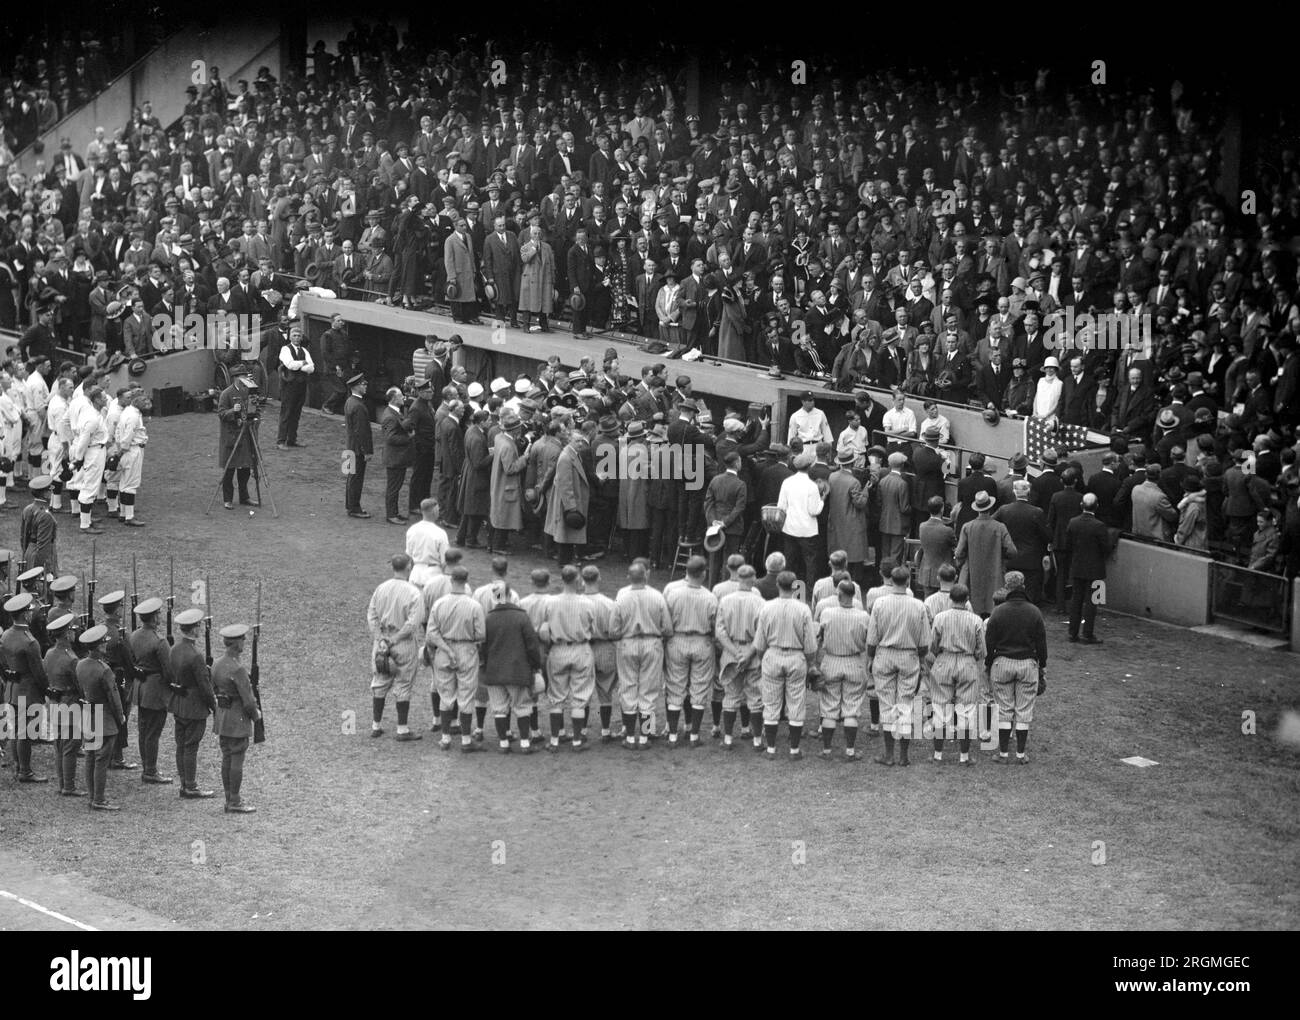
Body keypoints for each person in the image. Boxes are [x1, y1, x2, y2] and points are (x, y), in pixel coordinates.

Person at [866, 566, 931, 767]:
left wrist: (870, 658)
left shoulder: (879, 603)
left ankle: (888, 754)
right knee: (905, 704)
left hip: (885, 653)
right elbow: (924, 643)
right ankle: (903, 756)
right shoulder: (918, 605)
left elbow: (872, 638)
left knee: (886, 703)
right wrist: (919, 661)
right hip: (908, 655)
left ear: (891, 581)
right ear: (908, 583)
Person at [983, 571, 1048, 765]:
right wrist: (1041, 666)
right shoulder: (1035, 612)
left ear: (1007, 588)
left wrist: (989, 664)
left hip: (1002, 663)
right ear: (1024, 586)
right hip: (1027, 664)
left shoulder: (998, 612)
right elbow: (1041, 643)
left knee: (1004, 709)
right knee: (1024, 709)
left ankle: (1003, 753)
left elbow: (989, 642)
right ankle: (1020, 754)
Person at [753, 570, 819, 758]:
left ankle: (771, 749)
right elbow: (810, 646)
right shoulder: (803, 609)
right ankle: (794, 750)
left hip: (772, 654)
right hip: (796, 656)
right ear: (794, 586)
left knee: (771, 702)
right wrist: (810, 663)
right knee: (796, 702)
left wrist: (762, 658)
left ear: (777, 585)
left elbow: (759, 643)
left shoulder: (766, 607)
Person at [610, 560, 672, 748]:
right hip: (652, 643)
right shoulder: (657, 596)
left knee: (628, 688)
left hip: (628, 644)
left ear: (629, 577)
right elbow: (667, 628)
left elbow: (612, 630)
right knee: (649, 690)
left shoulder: (621, 597)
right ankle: (645, 736)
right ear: (646, 575)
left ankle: (629, 737)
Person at [426, 564, 486, 751]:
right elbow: (481, 634)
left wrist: (446, 648)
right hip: (467, 650)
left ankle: (445, 738)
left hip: (444, 652)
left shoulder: (439, 603)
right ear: (466, 581)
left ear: (451, 580)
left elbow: (431, 633)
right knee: (466, 695)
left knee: (445, 695)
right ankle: (466, 740)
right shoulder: (474, 605)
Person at [481, 579, 544, 753]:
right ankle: (524, 743)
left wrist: (485, 666)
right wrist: (536, 666)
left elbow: (483, 647)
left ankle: (503, 744)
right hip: (518, 671)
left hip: (494, 671)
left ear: (494, 596)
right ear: (509, 594)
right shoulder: (521, 616)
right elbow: (532, 646)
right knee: (522, 707)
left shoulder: (488, 618)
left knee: (499, 709)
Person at [927, 583, 986, 766]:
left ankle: (938, 755)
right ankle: (964, 757)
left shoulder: (940, 618)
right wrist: (971, 657)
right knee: (966, 710)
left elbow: (932, 645)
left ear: (950, 599)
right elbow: (982, 650)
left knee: (940, 707)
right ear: (967, 599)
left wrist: (939, 657)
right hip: (966, 662)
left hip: (944, 660)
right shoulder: (976, 620)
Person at [367, 553, 425, 741]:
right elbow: (412, 624)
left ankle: (376, 726)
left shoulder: (381, 588)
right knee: (404, 683)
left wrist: (381, 639)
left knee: (380, 681)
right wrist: (393, 640)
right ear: (409, 568)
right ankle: (402, 729)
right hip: (403, 643)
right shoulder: (414, 592)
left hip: (382, 641)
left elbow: (372, 616)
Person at [539, 564, 596, 751]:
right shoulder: (588, 603)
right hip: (581, 649)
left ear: (561, 579)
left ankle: (555, 740)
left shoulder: (549, 602)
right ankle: (577, 740)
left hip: (558, 649)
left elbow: (544, 630)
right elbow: (592, 630)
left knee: (556, 696)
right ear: (578, 580)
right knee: (580, 696)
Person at [663, 555, 718, 747]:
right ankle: (693, 734)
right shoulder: (710, 597)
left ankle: (671, 735)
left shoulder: (673, 593)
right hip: (702, 642)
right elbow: (715, 627)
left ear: (686, 572)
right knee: (699, 688)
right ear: (703, 574)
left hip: (676, 640)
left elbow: (665, 622)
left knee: (675, 687)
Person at [816, 579, 871, 759]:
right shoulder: (863, 616)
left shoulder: (827, 613)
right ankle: (850, 750)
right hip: (854, 661)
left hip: (831, 661)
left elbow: (819, 638)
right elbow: (868, 641)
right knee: (851, 707)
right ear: (854, 595)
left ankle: (826, 750)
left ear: (838, 595)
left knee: (829, 707)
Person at [212, 622, 262, 813]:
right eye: (242, 639)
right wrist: (256, 715)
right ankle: (234, 800)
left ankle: (228, 797)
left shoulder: (217, 664)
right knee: (237, 759)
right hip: (237, 720)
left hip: (223, 718)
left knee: (227, 757)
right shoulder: (237, 669)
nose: (244, 642)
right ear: (235, 644)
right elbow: (248, 701)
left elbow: (214, 689)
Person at [715, 564, 764, 751]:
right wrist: (748, 654)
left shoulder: (726, 600)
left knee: (731, 696)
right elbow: (762, 634)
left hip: (731, 651)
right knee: (755, 697)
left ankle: (727, 739)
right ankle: (757, 740)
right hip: (752, 652)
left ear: (737, 579)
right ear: (753, 580)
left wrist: (735, 654)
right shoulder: (760, 602)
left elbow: (720, 632)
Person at [170, 607, 216, 798]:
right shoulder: (195, 655)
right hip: (194, 706)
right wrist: (214, 706)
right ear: (194, 629)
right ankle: (190, 785)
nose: (200, 629)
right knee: (190, 747)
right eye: (198, 626)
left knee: (181, 745)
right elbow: (204, 687)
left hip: (179, 703)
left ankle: (184, 783)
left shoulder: (174, 649)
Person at [78, 624, 125, 810]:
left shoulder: (80, 664)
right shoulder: (104, 669)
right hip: (103, 718)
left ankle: (92, 796)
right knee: (101, 760)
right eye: (103, 643)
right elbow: (114, 698)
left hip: (89, 715)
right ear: (98, 647)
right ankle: (99, 799)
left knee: (90, 756)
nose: (106, 645)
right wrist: (120, 717)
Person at [4, 592, 49, 782]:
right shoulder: (30, 642)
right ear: (25, 615)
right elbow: (39, 672)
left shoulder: (5, 635)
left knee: (16, 730)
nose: (31, 614)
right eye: (29, 612)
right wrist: (46, 690)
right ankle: (25, 771)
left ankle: (18, 766)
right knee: (25, 732)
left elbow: (3, 664)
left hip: (12, 687)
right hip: (27, 690)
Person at [129, 596, 174, 783]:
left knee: (144, 730)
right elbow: (169, 672)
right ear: (154, 617)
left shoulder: (133, 636)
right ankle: (150, 770)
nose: (160, 616)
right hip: (155, 691)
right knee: (153, 732)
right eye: (158, 613)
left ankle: (147, 766)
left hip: (140, 689)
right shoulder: (159, 641)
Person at [955, 490, 1018, 616]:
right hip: (995, 573)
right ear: (990, 507)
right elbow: (1012, 551)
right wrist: (1002, 559)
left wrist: (961, 563)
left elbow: (959, 552)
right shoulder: (1000, 527)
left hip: (972, 574)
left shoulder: (968, 527)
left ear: (977, 508)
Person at [43, 613, 83, 795]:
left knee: (59, 745)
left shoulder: (50, 653)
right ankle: (68, 786)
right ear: (67, 634)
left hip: (53, 703)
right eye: (73, 630)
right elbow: (79, 685)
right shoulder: (71, 659)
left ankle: (62, 783)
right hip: (69, 704)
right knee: (71, 745)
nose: (75, 633)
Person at [994, 479, 1052, 604]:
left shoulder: (1004, 510)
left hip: (1009, 558)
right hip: (1031, 560)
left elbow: (993, 525)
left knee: (1008, 592)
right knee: (1030, 596)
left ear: (1014, 492)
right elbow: (1047, 535)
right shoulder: (1037, 512)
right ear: (1029, 492)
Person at [1063, 492, 1111, 644]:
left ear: (1082, 505)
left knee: (1076, 600)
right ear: (1097, 506)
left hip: (1077, 568)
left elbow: (1068, 545)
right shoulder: (1099, 526)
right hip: (1095, 570)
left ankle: (1073, 633)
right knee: (1092, 602)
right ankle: (1087, 634)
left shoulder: (1073, 522)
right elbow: (1106, 548)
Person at [777, 450, 825, 589]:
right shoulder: (812, 486)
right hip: (807, 531)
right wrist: (822, 500)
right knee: (810, 562)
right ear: (809, 466)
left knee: (790, 561)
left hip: (790, 528)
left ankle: (787, 587)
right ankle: (809, 591)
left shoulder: (787, 482)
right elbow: (814, 511)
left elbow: (781, 506)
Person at [216, 366, 260, 510]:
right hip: (232, 437)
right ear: (235, 378)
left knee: (245, 468)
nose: (245, 379)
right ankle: (227, 499)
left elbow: (256, 410)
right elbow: (221, 413)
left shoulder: (249, 391)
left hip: (246, 436)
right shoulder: (226, 394)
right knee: (229, 469)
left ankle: (244, 497)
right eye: (242, 376)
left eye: (245, 376)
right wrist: (232, 411)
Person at [69, 385, 110, 533]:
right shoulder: (92, 418)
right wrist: (78, 458)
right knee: (90, 486)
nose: (106, 399)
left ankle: (88, 518)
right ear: (97, 400)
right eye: (104, 397)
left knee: (92, 484)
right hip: (93, 452)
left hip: (98, 450)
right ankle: (85, 524)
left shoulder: (96, 413)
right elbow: (84, 440)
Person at [489, 412, 528, 552]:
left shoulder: (499, 438)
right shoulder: (507, 446)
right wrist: (525, 458)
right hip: (506, 486)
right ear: (516, 430)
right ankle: (498, 546)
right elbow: (510, 469)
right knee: (503, 517)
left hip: (499, 484)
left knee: (498, 515)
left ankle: (494, 544)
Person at [112, 392, 149, 526]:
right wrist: (122, 450)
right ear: (136, 400)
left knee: (124, 483)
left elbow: (117, 432)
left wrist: (119, 449)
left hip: (126, 450)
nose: (146, 402)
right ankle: (129, 516)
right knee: (131, 484)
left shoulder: (127, 412)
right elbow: (128, 436)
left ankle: (123, 513)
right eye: (143, 399)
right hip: (132, 450)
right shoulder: (133, 416)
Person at [276, 325, 314, 450]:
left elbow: (311, 367)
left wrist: (300, 365)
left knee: (296, 413)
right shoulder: (285, 349)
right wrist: (303, 363)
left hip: (301, 385)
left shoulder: (304, 350)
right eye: (294, 335)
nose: (297, 338)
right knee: (286, 412)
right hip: (289, 385)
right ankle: (281, 441)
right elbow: (290, 365)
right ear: (290, 337)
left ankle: (292, 439)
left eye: (299, 336)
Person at [380, 386, 414, 525]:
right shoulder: (390, 416)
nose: (403, 398)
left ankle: (394, 513)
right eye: (400, 396)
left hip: (397, 457)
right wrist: (409, 438)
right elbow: (391, 438)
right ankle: (391, 515)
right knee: (393, 487)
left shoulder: (393, 412)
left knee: (395, 486)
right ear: (394, 399)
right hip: (394, 458)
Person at [876, 451, 912, 571]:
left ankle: (884, 578)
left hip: (884, 523)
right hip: (898, 525)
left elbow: (879, 502)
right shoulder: (902, 484)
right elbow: (904, 508)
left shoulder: (883, 481)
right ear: (902, 465)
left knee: (885, 554)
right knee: (896, 556)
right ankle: (894, 580)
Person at [343, 372, 372, 518]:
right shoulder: (359, 406)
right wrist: (367, 451)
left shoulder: (350, 402)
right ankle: (354, 507)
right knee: (356, 478)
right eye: (363, 384)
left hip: (350, 446)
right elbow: (363, 431)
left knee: (351, 477)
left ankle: (350, 504)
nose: (365, 386)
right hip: (357, 449)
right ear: (356, 387)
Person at [917, 496, 955, 597]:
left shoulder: (922, 526)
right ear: (942, 508)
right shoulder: (947, 531)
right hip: (945, 575)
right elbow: (955, 546)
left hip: (927, 574)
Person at [405, 499, 449, 587]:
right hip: (434, 576)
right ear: (434, 512)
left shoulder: (412, 530)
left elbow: (408, 557)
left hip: (415, 575)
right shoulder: (440, 533)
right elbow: (445, 561)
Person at [20, 475, 59, 572]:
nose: (51, 493)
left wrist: (26, 554)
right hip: (42, 557)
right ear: (45, 494)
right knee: (45, 585)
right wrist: (39, 569)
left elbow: (23, 537)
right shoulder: (46, 516)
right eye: (50, 490)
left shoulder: (27, 509)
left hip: (29, 551)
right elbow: (43, 545)